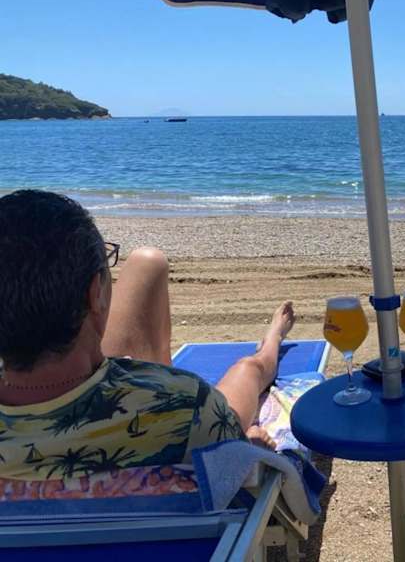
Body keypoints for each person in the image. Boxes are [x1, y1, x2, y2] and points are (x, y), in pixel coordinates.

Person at [0, 190, 293, 480]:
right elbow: (237, 462)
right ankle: (271, 342)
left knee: (148, 263)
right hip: (158, 418)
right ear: (95, 294)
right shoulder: (189, 407)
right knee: (249, 369)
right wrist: (249, 447)